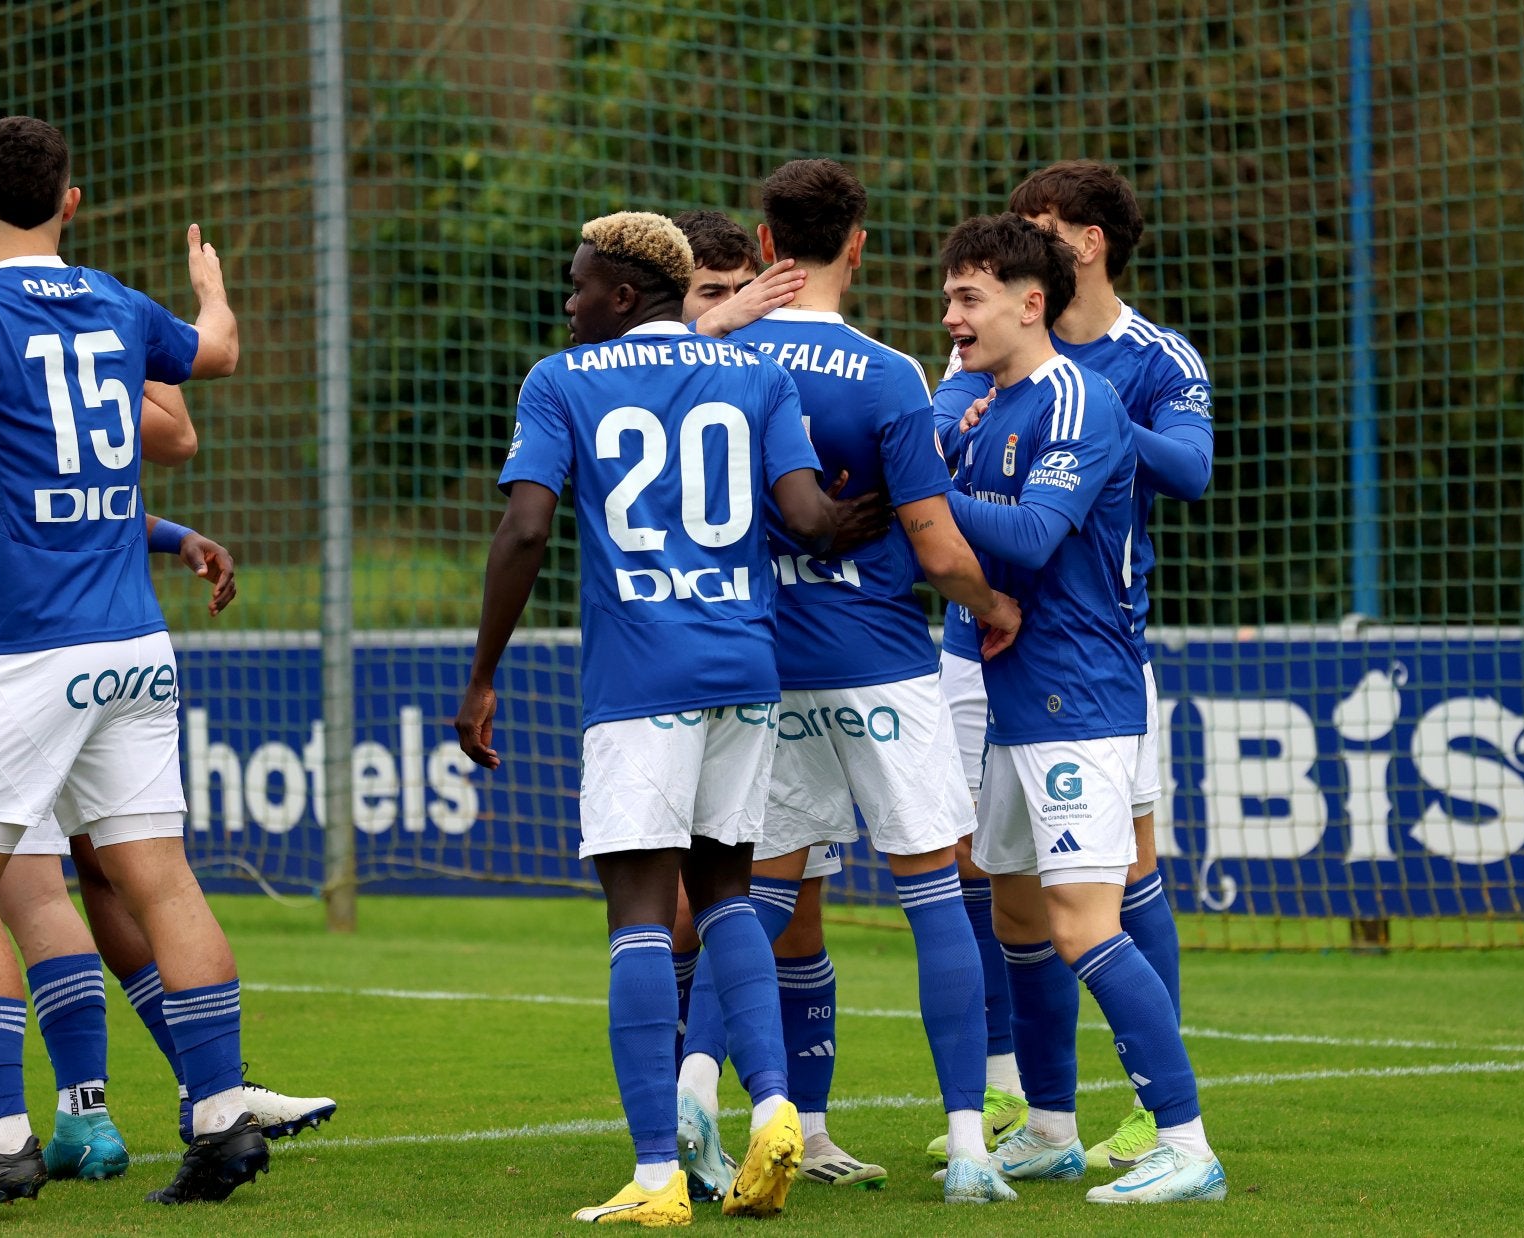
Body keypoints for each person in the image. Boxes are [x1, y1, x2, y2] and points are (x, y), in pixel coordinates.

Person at [0, 116, 263, 1219]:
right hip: (135, 643)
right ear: (73, 203)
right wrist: (211, 285)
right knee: (159, 874)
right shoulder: (116, 302)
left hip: (29, 648)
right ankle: (222, 1116)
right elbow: (216, 353)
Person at [456, 210, 853, 1226]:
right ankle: (772, 1105)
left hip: (643, 679)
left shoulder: (561, 381)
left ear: (625, 294)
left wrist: (483, 672)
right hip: (747, 668)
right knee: (726, 893)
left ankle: (654, 1173)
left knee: (637, 913)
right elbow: (809, 519)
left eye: (580, 282)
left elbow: (527, 524)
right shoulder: (762, 379)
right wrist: (906, 497)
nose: (569, 299)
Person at [674, 159, 1022, 1206]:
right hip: (882, 664)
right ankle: (968, 1146)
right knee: (933, 903)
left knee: (752, 898)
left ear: (766, 244)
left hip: (761, 665)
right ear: (857, 245)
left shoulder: (712, 357)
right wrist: (995, 606)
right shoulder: (885, 375)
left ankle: (695, 1087)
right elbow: (936, 543)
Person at [932, 161, 1215, 1172]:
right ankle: (1048, 1124)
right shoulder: (978, 390)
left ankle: (1179, 1134)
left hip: (1080, 677)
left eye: (967, 298)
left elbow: (1044, 525)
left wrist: (920, 487)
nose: (953, 319)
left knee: (1096, 908)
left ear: (1035, 292)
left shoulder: (1100, 385)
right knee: (1011, 901)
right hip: (999, 672)